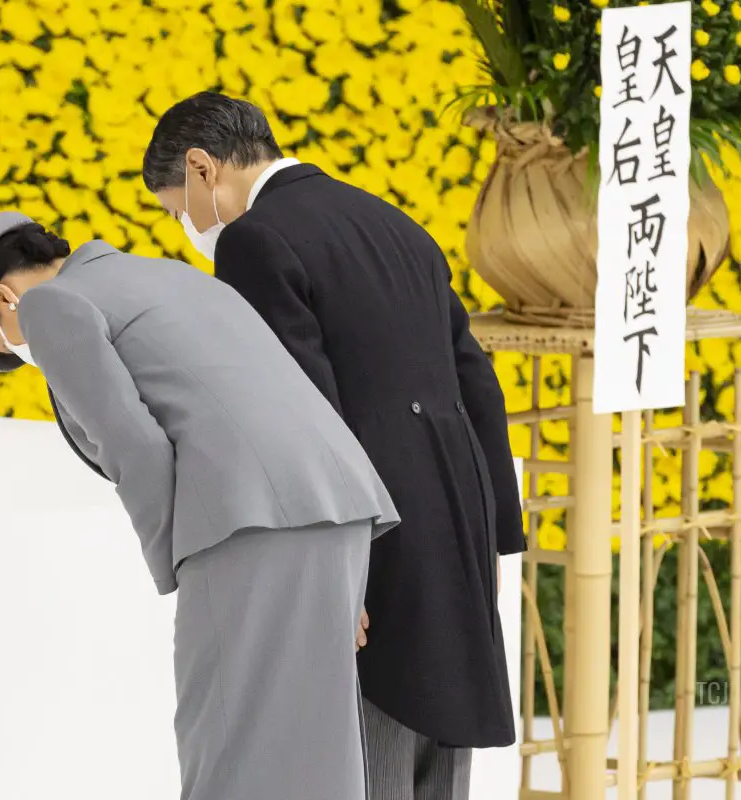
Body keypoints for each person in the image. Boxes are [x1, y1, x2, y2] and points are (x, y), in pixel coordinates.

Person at [0, 211, 400, 800]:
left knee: (226, 742)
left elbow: (133, 445)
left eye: (2, 338)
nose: (20, 347)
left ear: (1, 297)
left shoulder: (47, 305)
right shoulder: (176, 276)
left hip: (242, 521)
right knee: (319, 747)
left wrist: (175, 564)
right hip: (337, 505)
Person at [143, 92, 527, 799]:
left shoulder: (253, 239)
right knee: (442, 750)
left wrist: (335, 572)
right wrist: (497, 533)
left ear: (202, 169)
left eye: (176, 209)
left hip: (368, 523)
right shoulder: (397, 224)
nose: (184, 228)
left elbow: (301, 418)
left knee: (369, 740)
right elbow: (476, 378)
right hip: (453, 508)